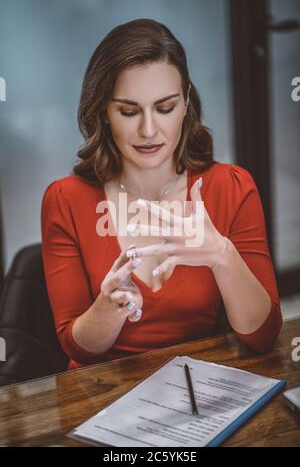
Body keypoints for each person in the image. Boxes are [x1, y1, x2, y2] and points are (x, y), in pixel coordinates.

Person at [41, 18, 282, 370]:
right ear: (104, 113)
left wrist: (221, 255)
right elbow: (79, 349)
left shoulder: (232, 187)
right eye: (128, 111)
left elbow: (262, 337)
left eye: (165, 108)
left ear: (185, 103)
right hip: (102, 396)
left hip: (199, 390)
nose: (149, 130)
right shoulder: (65, 199)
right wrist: (110, 307)